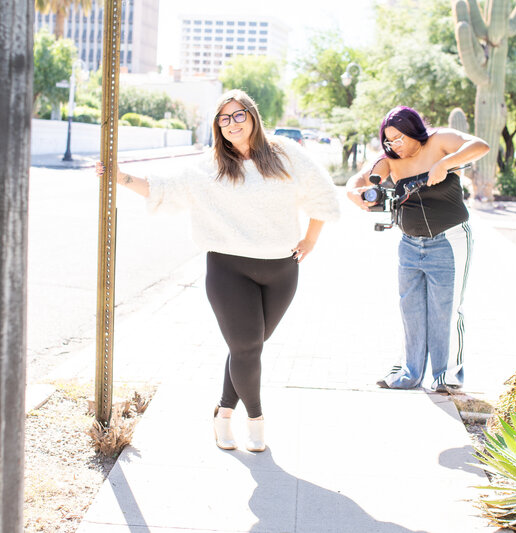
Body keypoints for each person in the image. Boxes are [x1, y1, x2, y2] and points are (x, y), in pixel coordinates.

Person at [97, 89, 340, 451]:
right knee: (245, 347)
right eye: (223, 119)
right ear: (217, 126)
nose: (232, 124)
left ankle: (222, 411)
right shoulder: (208, 165)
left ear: (253, 116)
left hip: (281, 271)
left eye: (238, 115)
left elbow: (323, 194)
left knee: (250, 348)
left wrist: (311, 239)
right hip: (229, 269)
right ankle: (255, 418)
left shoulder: (286, 154)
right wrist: (121, 177)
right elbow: (164, 189)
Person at [345, 106, 489, 392]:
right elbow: (360, 179)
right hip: (409, 244)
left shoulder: (439, 140)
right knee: (410, 308)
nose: (393, 145)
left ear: (413, 131)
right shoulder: (390, 160)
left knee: (446, 310)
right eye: (388, 141)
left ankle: (446, 376)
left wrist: (446, 163)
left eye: (398, 138)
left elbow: (480, 146)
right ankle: (408, 373)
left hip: (449, 240)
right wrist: (353, 193)